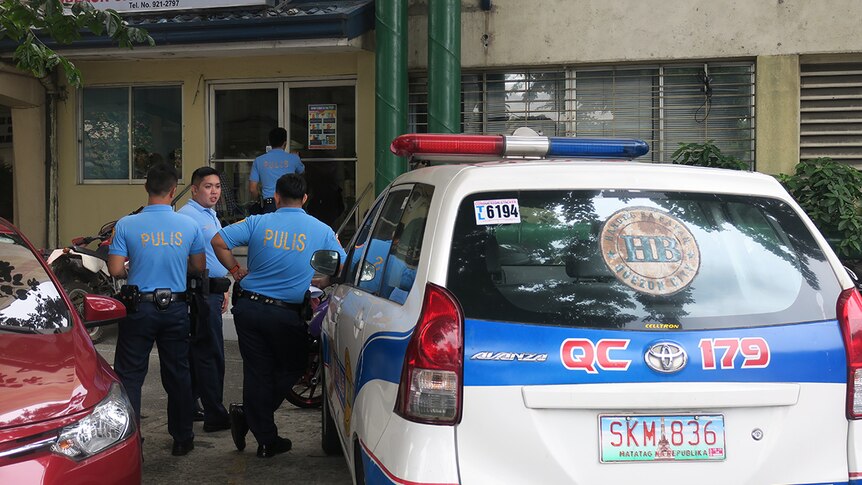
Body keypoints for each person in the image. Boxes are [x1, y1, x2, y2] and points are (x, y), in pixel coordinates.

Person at [212, 173, 346, 458]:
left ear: (276, 198)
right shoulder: (321, 230)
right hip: (285, 314)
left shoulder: (258, 222)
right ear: (306, 199)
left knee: (258, 372)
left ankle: (262, 432)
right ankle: (259, 429)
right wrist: (325, 281)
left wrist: (236, 271)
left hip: (248, 309)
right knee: (294, 366)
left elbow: (218, 241)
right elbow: (343, 266)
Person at [107, 162, 206, 457]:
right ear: (174, 190)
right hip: (176, 308)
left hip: (139, 308)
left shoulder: (127, 224)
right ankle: (182, 438)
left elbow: (115, 269)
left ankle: (131, 440)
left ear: (147, 188)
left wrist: (134, 268)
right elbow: (199, 267)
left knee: (130, 375)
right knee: (178, 373)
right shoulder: (189, 225)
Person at [178, 167, 232, 433]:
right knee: (210, 353)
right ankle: (215, 414)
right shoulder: (188, 216)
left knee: (199, 352)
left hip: (211, 289)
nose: (214, 192)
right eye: (208, 187)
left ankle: (191, 404)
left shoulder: (207, 214)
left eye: (218, 186)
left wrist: (222, 287)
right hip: (200, 292)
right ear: (195, 189)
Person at [249, 127, 304, 214]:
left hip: (269, 204)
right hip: (290, 203)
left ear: (269, 142)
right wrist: (297, 158)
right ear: (285, 143)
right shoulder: (294, 158)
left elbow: (252, 189)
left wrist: (258, 201)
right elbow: (302, 174)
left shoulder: (259, 160)